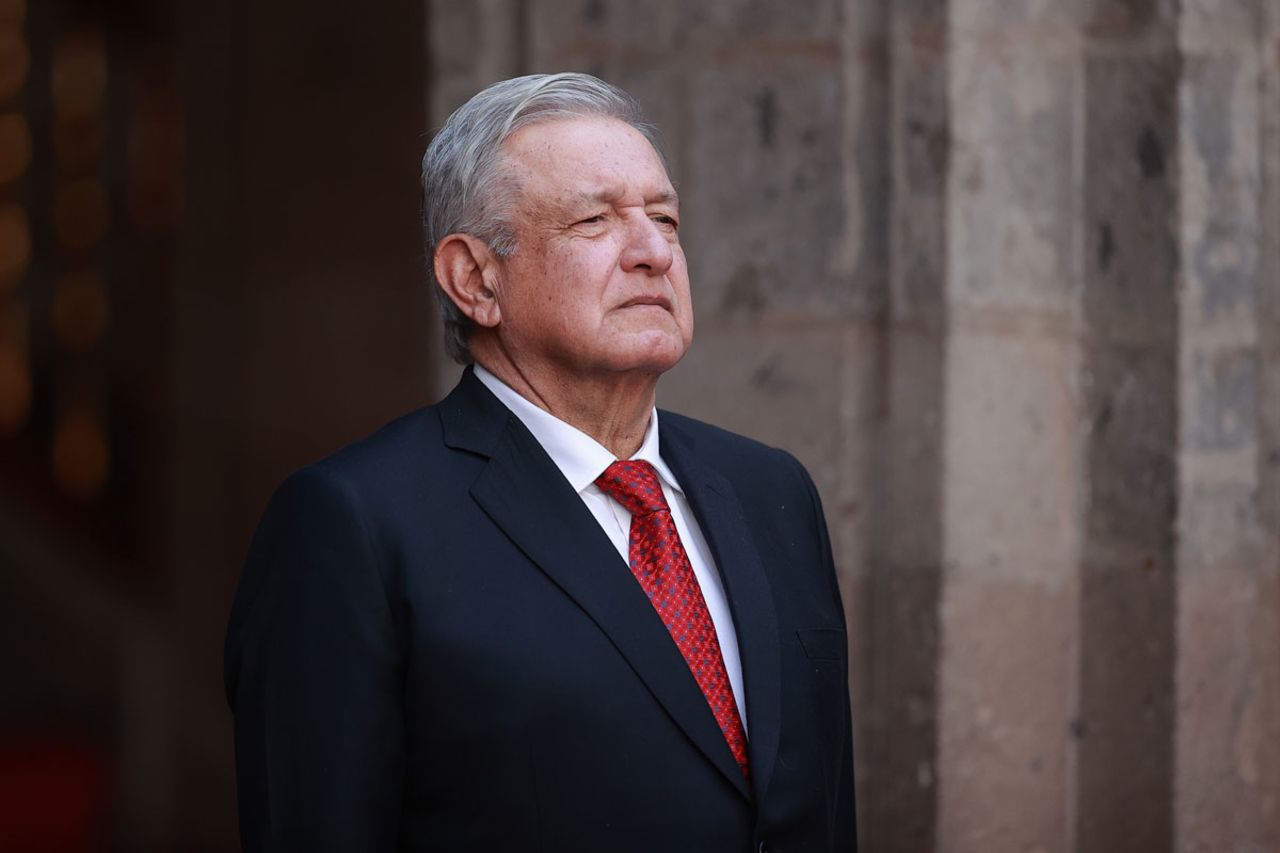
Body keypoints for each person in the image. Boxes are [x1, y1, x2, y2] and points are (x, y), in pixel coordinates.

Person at [225, 72, 856, 852]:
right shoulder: (353, 523)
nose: (655, 251)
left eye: (665, 217)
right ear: (476, 279)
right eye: (596, 219)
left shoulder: (772, 491)